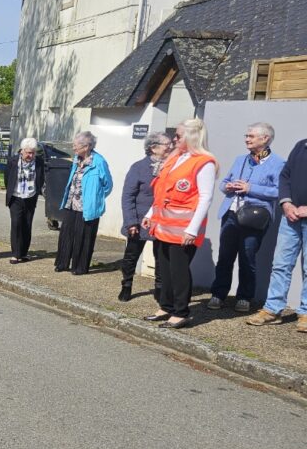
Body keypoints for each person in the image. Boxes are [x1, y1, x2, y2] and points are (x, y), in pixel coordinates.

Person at [142, 118, 216, 329]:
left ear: (192, 136)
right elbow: (162, 191)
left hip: (184, 228)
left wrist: (192, 229)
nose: (174, 140)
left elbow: (205, 198)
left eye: (178, 136)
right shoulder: (176, 159)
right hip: (164, 225)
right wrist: (150, 213)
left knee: (179, 270)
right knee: (164, 268)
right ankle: (166, 306)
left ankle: (181, 312)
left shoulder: (204, 162)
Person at [208, 123, 285, 313]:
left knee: (247, 258)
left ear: (265, 138)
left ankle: (244, 297)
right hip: (231, 215)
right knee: (225, 257)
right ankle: (218, 294)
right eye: (246, 135)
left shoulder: (278, 163)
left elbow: (279, 191)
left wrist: (251, 188)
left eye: (251, 136)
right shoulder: (240, 159)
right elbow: (224, 183)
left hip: (254, 218)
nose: (246, 139)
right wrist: (228, 186)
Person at [246, 135, 307, 332]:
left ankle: (305, 312)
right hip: (291, 217)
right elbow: (285, 176)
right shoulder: (301, 145)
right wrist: (286, 203)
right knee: (281, 265)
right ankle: (272, 310)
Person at [117, 132, 171, 301]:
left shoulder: (172, 166)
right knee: (131, 255)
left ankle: (160, 289)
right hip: (140, 220)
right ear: (153, 148)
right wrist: (131, 222)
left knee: (161, 258)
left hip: (162, 220)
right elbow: (128, 196)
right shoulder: (138, 167)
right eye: (166, 144)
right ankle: (126, 284)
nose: (170, 147)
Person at [55, 131, 112, 275]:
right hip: (71, 202)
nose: (74, 148)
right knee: (66, 233)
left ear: (86, 146)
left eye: (76, 146)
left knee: (84, 236)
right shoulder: (76, 159)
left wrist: (96, 197)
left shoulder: (98, 161)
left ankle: (79, 267)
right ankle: (62, 263)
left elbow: (108, 185)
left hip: (87, 206)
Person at [4, 137, 46, 265]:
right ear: (22, 151)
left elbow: (41, 177)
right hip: (16, 197)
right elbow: (8, 178)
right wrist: (11, 192)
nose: (31, 155)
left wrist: (37, 192)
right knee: (16, 224)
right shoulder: (13, 161)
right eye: (28, 152)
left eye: (33, 152)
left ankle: (23, 253)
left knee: (27, 225)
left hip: (30, 197)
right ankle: (15, 254)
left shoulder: (39, 162)